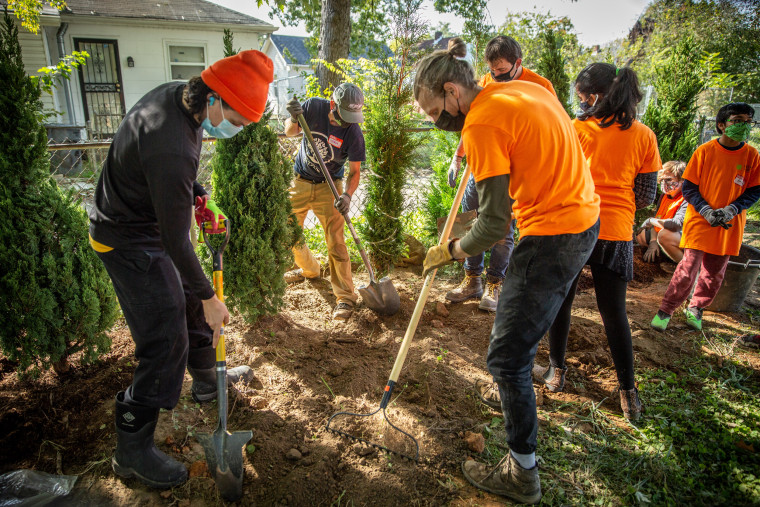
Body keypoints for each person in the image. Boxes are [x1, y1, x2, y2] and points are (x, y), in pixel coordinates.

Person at [415, 39, 600, 504]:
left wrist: (453, 251)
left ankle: (522, 476)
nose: (435, 120)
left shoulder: (480, 124)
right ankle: (526, 390)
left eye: (433, 109)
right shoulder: (526, 86)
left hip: (551, 235)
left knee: (506, 359)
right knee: (517, 340)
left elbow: (494, 223)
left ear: (453, 91)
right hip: (585, 219)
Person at [89, 50, 274, 489]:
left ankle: (208, 381)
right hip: (125, 238)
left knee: (188, 299)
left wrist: (199, 194)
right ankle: (130, 452)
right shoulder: (171, 140)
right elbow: (175, 241)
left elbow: (173, 173)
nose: (240, 127)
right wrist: (210, 298)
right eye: (239, 118)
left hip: (147, 222)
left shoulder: (177, 99)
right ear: (215, 99)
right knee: (165, 333)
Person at [532, 63, 660, 421]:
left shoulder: (576, 129)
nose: (580, 102)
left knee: (561, 303)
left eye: (582, 96)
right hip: (616, 232)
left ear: (596, 95)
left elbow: (556, 177)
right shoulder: (644, 135)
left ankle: (556, 372)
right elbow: (647, 194)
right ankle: (628, 393)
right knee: (614, 313)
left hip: (574, 225)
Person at [445, 35, 557, 311]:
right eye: (493, 72)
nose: (498, 77)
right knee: (468, 219)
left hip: (514, 169)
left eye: (503, 71)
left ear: (518, 63)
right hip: (481, 162)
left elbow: (552, 131)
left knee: (502, 228)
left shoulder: (541, 87)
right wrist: (458, 158)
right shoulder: (485, 82)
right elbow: (472, 121)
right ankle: (472, 279)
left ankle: (495, 283)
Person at [651, 103, 760, 332]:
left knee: (714, 273)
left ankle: (696, 308)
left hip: (729, 223)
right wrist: (707, 211)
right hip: (700, 220)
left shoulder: (752, 155)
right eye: (737, 120)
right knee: (687, 268)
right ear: (721, 125)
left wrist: (731, 209)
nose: (743, 126)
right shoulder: (705, 151)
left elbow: (755, 190)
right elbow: (689, 188)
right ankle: (666, 310)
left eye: (748, 122)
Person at [282, 83, 366, 321]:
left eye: (353, 116)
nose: (349, 121)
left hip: (330, 187)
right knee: (288, 232)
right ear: (333, 105)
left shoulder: (353, 133)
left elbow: (355, 172)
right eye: (345, 115)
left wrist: (347, 195)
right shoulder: (312, 107)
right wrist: (293, 118)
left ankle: (345, 298)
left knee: (336, 241)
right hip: (300, 182)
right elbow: (290, 132)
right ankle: (310, 269)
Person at [636, 161, 688, 263]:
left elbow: (676, 225)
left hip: (690, 239)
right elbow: (658, 219)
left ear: (682, 180)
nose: (664, 183)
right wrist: (653, 242)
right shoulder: (664, 196)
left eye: (668, 179)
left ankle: (688, 268)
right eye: (662, 179)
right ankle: (667, 257)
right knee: (641, 234)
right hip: (673, 235)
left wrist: (650, 220)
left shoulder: (687, 198)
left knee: (665, 235)